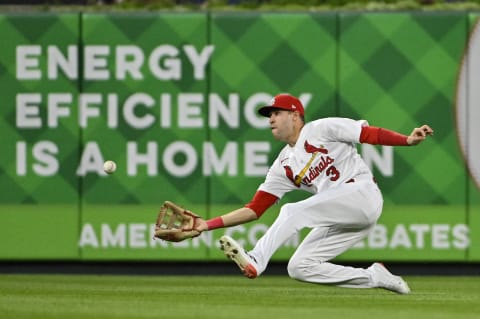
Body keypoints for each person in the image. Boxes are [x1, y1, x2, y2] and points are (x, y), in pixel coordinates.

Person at [195, 93, 434, 294]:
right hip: (343, 214)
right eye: (269, 115)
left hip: (362, 194)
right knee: (299, 267)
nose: (271, 119)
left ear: (295, 115)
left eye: (276, 113)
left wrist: (408, 140)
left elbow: (368, 134)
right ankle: (375, 277)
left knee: (291, 211)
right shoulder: (283, 164)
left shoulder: (321, 128)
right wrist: (205, 225)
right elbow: (254, 209)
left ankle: (257, 258)